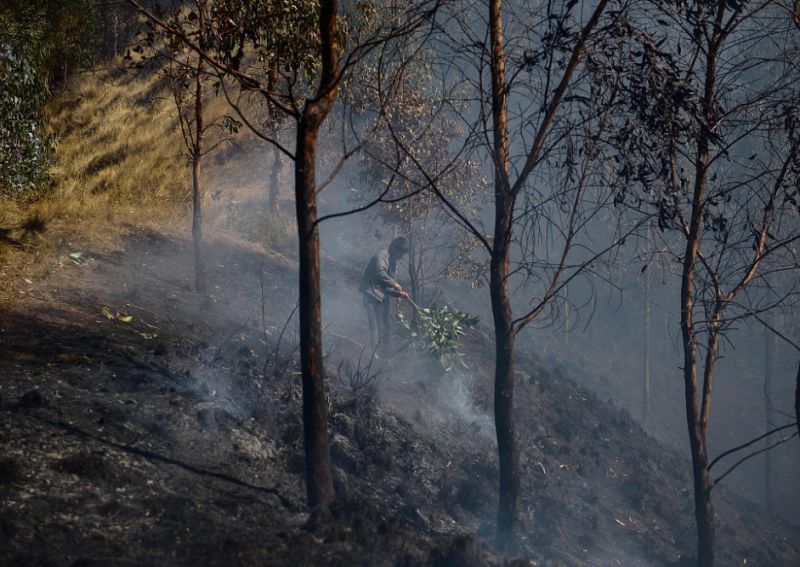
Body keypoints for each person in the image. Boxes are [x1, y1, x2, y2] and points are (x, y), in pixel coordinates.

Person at [359, 236, 411, 355]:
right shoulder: (382, 255)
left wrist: (399, 294)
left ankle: (385, 357)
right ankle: (374, 358)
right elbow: (379, 272)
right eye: (401, 252)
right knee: (377, 330)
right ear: (393, 248)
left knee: (387, 327)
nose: (401, 256)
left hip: (382, 299)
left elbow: (387, 288)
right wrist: (395, 284)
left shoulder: (393, 265)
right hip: (371, 296)